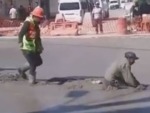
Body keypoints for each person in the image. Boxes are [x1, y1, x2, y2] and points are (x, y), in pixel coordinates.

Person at [18, 6, 44, 84]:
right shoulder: (28, 23)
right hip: (26, 47)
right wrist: (20, 42)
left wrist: (40, 47)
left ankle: (21, 69)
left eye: (41, 18)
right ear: (34, 16)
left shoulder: (36, 25)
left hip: (33, 47)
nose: (40, 19)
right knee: (33, 63)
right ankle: (32, 80)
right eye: (39, 18)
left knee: (39, 61)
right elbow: (21, 34)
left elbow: (37, 37)